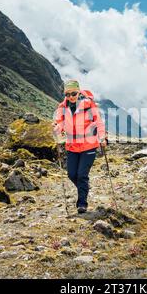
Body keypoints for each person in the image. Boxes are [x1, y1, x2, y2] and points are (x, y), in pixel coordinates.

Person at [53, 80, 107, 214]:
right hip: (72, 147)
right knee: (72, 174)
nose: (71, 96)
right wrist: (56, 129)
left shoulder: (89, 105)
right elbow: (60, 124)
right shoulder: (62, 108)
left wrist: (102, 137)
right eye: (68, 94)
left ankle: (82, 203)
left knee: (82, 175)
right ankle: (85, 188)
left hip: (89, 146)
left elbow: (98, 122)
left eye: (74, 93)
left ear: (78, 92)